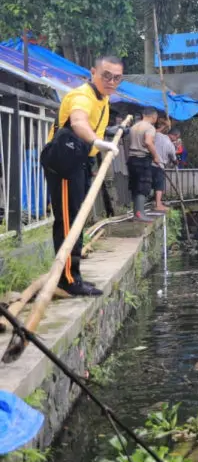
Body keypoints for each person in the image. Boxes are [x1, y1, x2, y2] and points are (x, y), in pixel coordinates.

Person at [41, 55, 123, 296]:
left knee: (77, 218)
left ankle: (72, 275)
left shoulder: (103, 98)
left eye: (116, 77)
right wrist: (98, 141)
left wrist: (108, 132)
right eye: (106, 75)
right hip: (64, 163)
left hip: (79, 161)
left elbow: (92, 123)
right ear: (93, 73)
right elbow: (78, 121)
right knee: (68, 222)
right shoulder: (81, 96)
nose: (111, 81)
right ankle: (67, 279)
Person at [127, 108, 164, 222]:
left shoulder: (134, 127)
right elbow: (148, 142)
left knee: (135, 186)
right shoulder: (149, 128)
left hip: (131, 159)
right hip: (142, 159)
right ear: (154, 117)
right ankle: (140, 214)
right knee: (143, 186)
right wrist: (156, 156)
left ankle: (136, 213)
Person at [152, 121, 178, 212]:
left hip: (150, 163)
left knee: (150, 184)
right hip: (160, 166)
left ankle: (155, 202)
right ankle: (158, 205)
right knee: (159, 186)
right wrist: (176, 162)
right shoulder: (171, 146)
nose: (176, 139)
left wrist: (163, 126)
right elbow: (174, 159)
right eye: (176, 137)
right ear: (174, 135)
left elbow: (154, 132)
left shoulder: (158, 135)